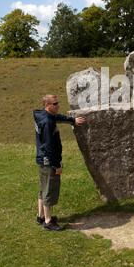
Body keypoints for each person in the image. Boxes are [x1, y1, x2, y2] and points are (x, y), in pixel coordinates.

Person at [33, 94, 85, 231]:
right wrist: (56, 165)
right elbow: (49, 147)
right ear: (47, 105)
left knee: (43, 188)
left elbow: (58, 117)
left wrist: (72, 120)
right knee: (49, 191)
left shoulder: (45, 116)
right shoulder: (48, 123)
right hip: (48, 161)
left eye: (57, 103)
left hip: (42, 160)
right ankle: (48, 222)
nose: (58, 105)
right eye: (55, 104)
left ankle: (41, 216)